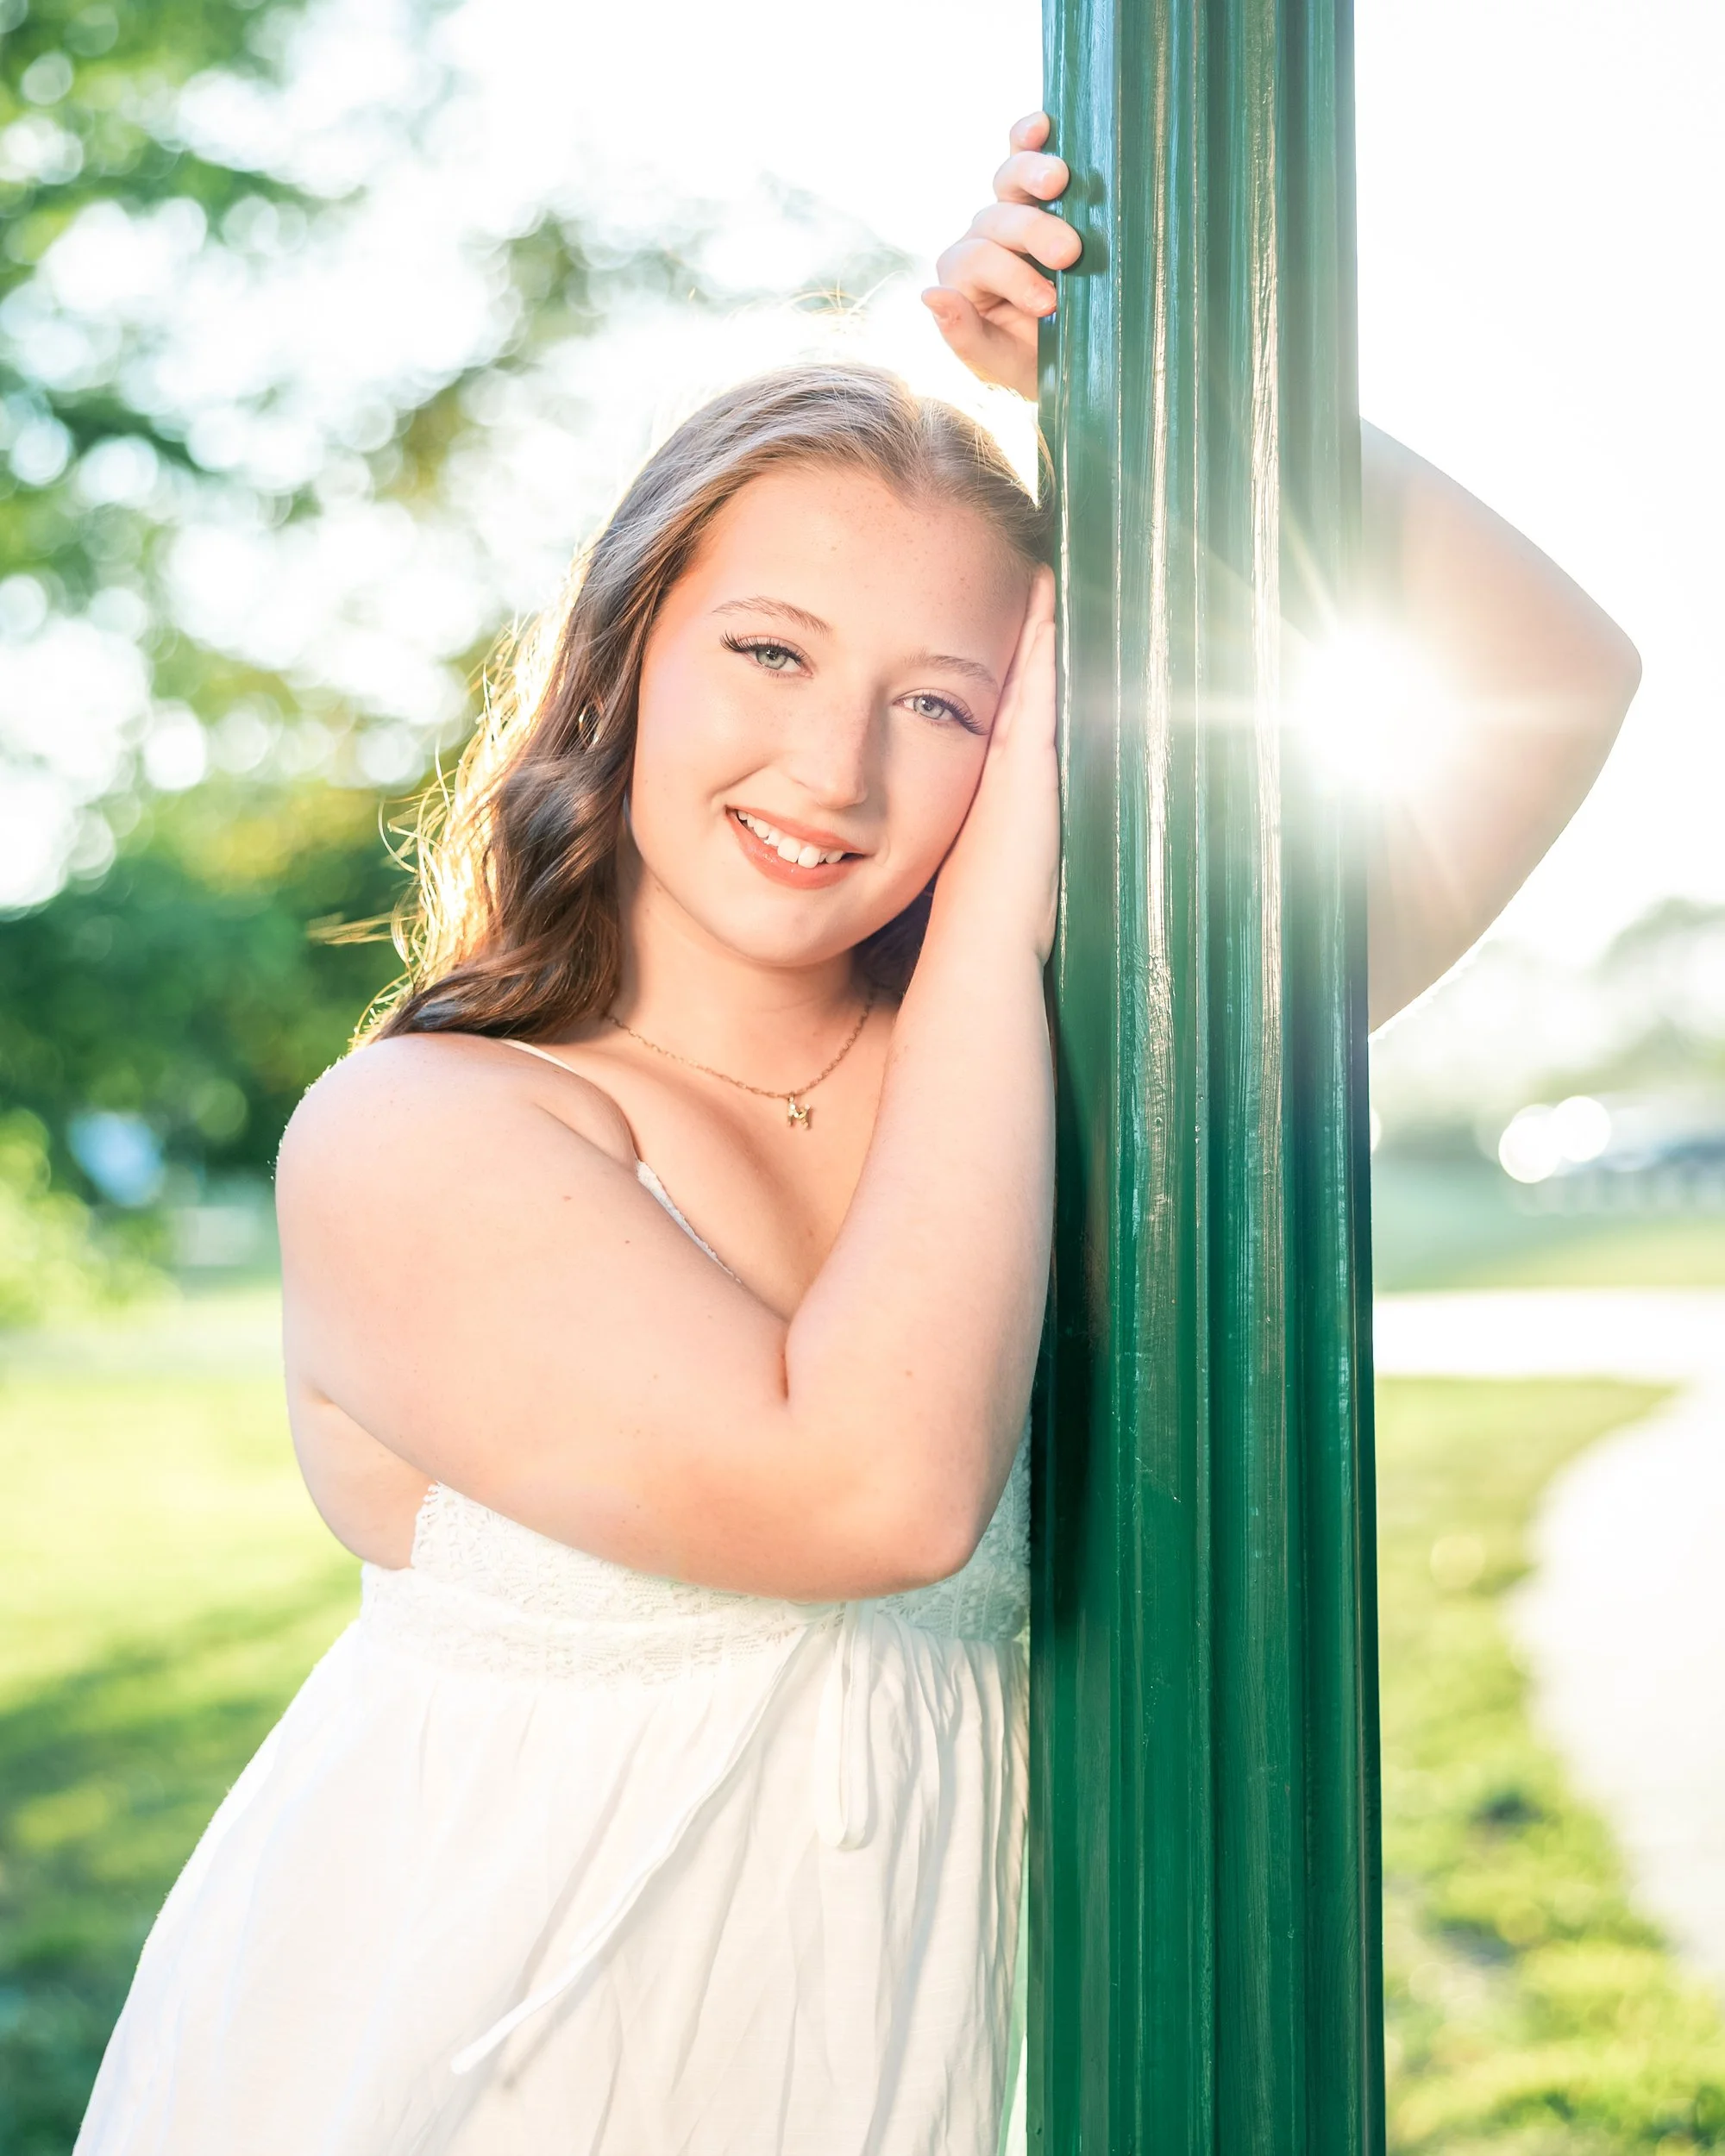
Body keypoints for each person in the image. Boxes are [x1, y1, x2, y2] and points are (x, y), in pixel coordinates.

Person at [76, 113, 1639, 2156]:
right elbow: (873, 1490)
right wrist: (993, 917)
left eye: (943, 703)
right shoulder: (422, 1132)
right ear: (621, 660)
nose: (832, 764)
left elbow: (1552, 675)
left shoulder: (1043, 1080)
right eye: (769, 650)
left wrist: (1135, 380)